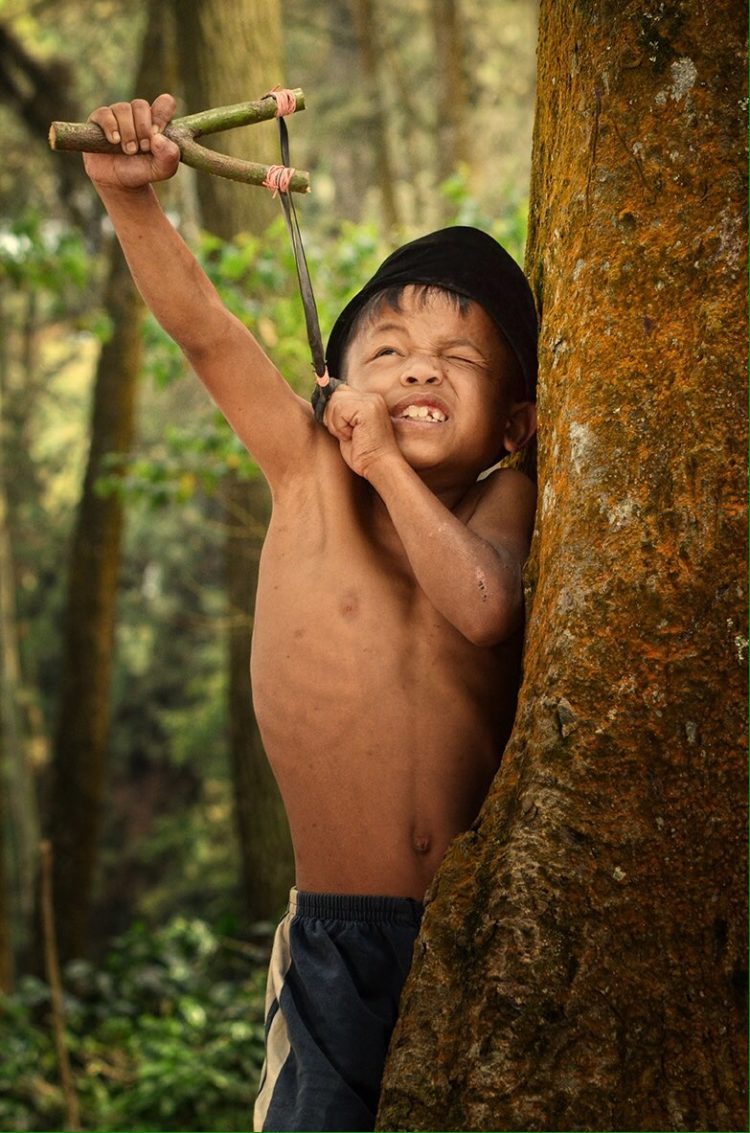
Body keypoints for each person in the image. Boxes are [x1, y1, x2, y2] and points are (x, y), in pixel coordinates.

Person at [83, 92, 539, 1133]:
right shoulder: (306, 471)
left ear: (518, 421)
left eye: (459, 357)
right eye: (389, 349)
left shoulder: (504, 502)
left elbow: (482, 611)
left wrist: (387, 458)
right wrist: (134, 204)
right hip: (337, 941)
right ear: (337, 384)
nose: (421, 364)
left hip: (487, 926)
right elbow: (205, 331)